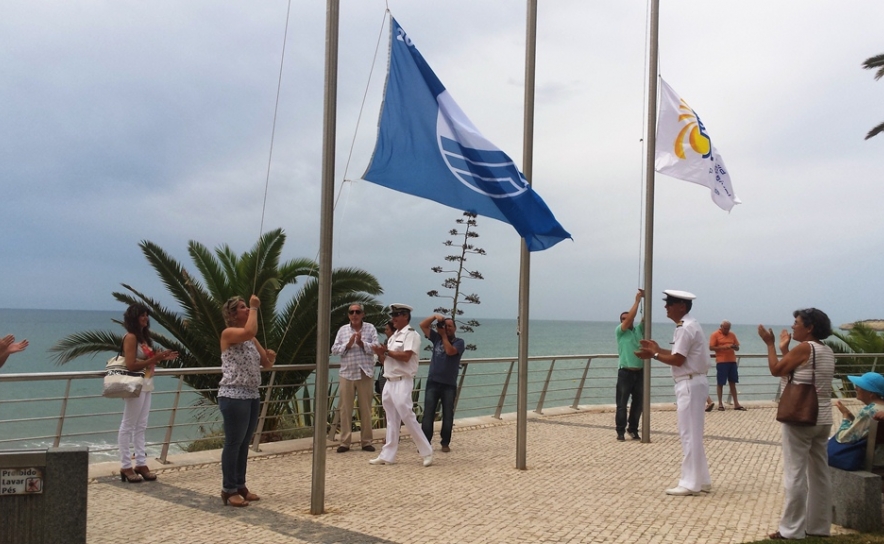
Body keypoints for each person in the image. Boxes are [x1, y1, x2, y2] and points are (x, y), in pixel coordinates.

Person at [757, 307, 835, 540]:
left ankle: (791, 529)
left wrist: (770, 345)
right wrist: (784, 349)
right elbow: (799, 370)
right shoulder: (827, 350)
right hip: (822, 417)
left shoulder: (805, 348)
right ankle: (819, 527)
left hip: (801, 417)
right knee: (820, 473)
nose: (793, 326)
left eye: (797, 322)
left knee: (795, 473)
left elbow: (776, 370)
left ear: (809, 327)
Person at [634, 290, 712, 496]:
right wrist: (658, 350)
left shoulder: (684, 328)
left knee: (688, 434)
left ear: (682, 307)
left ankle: (689, 483)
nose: (666, 307)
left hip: (689, 383)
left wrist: (656, 354)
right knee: (693, 434)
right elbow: (680, 355)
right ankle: (701, 480)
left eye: (669, 303)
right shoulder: (689, 325)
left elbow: (678, 361)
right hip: (694, 382)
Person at [218, 295, 276, 507]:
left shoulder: (250, 339)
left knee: (243, 444)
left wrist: (271, 357)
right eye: (242, 308)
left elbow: (266, 363)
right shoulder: (229, 333)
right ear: (233, 315)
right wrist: (254, 307)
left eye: (246, 307)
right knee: (233, 443)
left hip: (251, 394)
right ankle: (228, 489)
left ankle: (240, 485)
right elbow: (249, 330)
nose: (246, 310)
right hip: (233, 394)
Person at [118, 304, 178, 483]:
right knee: (128, 425)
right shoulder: (130, 337)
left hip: (147, 383)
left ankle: (141, 463)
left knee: (141, 425)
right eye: (142, 315)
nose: (145, 318)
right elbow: (130, 364)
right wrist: (155, 359)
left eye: (146, 315)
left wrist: (161, 358)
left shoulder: (143, 339)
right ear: (133, 318)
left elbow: (146, 362)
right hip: (135, 384)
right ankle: (126, 465)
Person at [369, 303, 434, 467]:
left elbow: (405, 356)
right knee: (391, 419)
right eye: (393, 316)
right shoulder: (393, 336)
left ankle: (426, 451)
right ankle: (387, 455)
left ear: (405, 316)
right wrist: (380, 353)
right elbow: (387, 360)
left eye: (396, 315)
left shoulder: (411, 335)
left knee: (407, 416)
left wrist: (385, 352)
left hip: (402, 381)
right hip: (389, 381)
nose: (393, 319)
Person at [331, 303, 380, 453]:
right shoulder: (343, 330)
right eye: (351, 312)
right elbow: (334, 350)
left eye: (357, 311)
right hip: (347, 374)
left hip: (364, 373)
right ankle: (345, 442)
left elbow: (376, 347)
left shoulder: (370, 328)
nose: (354, 314)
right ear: (348, 315)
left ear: (363, 314)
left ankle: (366, 442)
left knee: (365, 408)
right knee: (346, 409)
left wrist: (361, 343)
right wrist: (348, 344)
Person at [420, 313, 465, 452]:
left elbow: (450, 352)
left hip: (449, 385)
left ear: (455, 328)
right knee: (428, 414)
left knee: (448, 415)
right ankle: (425, 443)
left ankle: (445, 442)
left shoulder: (459, 342)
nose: (447, 328)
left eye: (450, 326)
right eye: (445, 326)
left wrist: (444, 336)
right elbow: (423, 325)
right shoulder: (436, 338)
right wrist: (434, 317)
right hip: (433, 382)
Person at [614, 289, 645, 441]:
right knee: (622, 404)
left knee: (638, 404)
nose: (626, 320)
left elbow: (646, 318)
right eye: (623, 318)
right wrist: (637, 301)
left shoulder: (639, 330)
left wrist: (645, 299)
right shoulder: (620, 331)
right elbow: (628, 321)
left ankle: (632, 429)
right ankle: (620, 431)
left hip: (639, 372)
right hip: (625, 373)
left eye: (628, 317)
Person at [833, 372, 884, 459]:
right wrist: (850, 415)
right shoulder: (880, 408)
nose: (856, 388)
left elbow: (843, 438)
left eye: (859, 386)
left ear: (871, 394)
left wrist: (845, 416)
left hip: (871, 459)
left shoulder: (869, 411)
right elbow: (862, 428)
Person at [709, 320, 745, 411]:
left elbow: (737, 348)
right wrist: (724, 347)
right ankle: (720, 404)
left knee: (733, 382)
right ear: (721, 326)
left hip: (732, 361)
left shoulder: (732, 335)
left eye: (728, 329)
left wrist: (735, 347)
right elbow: (711, 347)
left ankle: (736, 403)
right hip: (721, 361)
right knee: (720, 383)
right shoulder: (715, 335)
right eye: (725, 328)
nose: (726, 330)